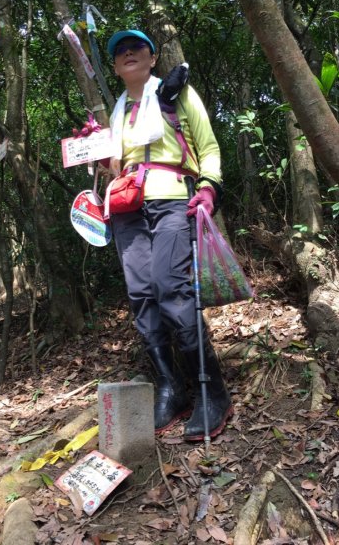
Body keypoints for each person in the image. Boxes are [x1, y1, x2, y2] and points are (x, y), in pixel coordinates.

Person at [105, 29, 233, 441]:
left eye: (135, 48)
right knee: (142, 294)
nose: (128, 54)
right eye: (120, 52)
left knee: (171, 288)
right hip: (126, 210)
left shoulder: (176, 93)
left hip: (172, 200)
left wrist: (209, 187)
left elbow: (208, 145)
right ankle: (170, 386)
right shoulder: (118, 110)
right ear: (114, 66)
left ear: (151, 56)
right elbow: (115, 165)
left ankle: (211, 390)